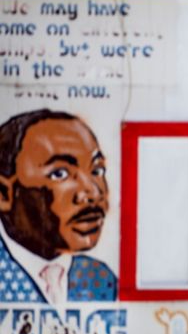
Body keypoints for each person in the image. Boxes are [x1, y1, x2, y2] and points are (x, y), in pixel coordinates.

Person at [0, 109, 117, 304]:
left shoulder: (101, 280)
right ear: (4, 194)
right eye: (60, 174)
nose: (93, 194)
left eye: (97, 170)